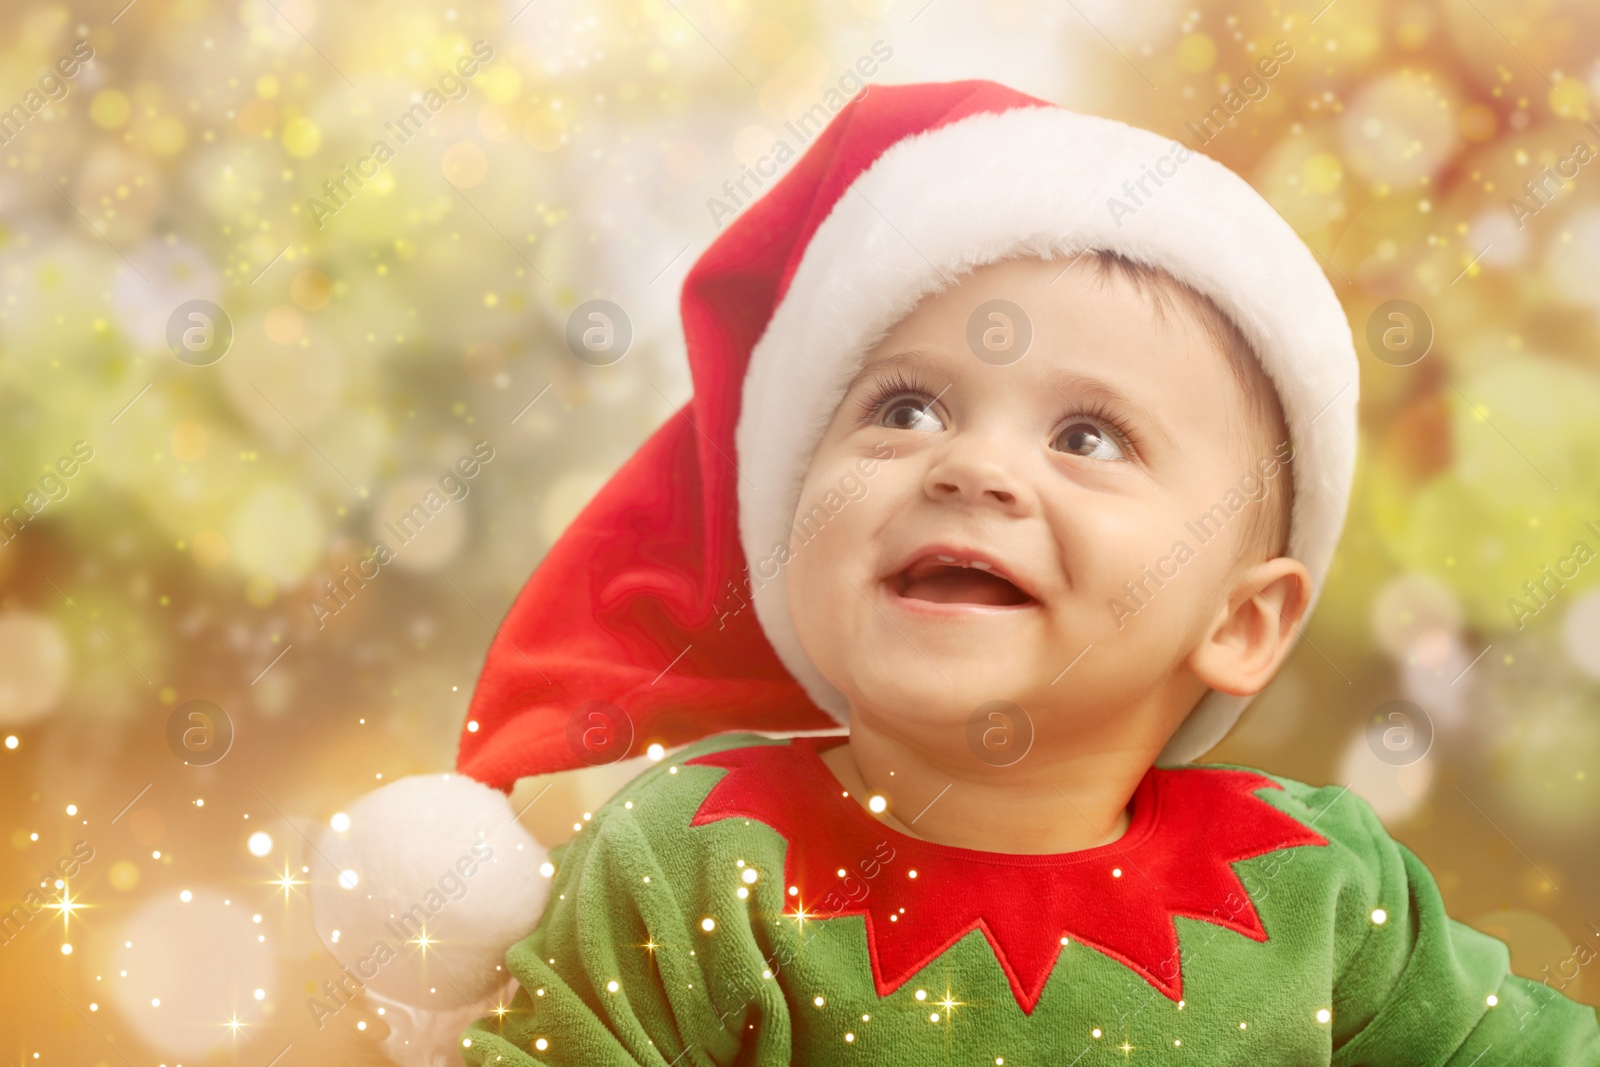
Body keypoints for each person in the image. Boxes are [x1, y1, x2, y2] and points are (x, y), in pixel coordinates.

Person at [441, 81, 1600, 1063]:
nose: (971, 465)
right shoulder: (691, 862)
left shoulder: (1325, 891)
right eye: (906, 406)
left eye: (1087, 436)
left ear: (1242, 621)